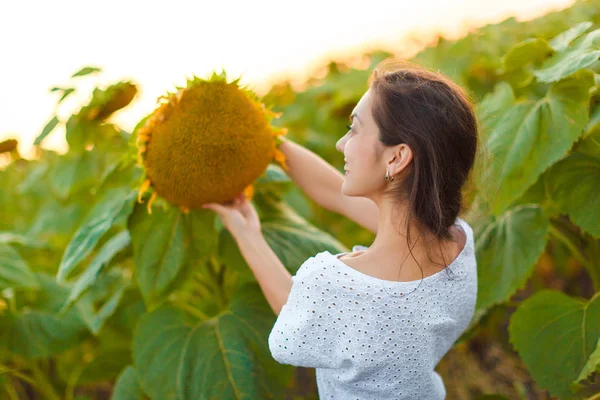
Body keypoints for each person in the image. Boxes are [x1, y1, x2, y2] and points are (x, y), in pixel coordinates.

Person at [202, 57, 479, 400]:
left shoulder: (337, 283)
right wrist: (269, 140)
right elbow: (336, 192)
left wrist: (245, 233)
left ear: (397, 157)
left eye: (355, 129)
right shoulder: (459, 242)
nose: (341, 143)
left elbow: (293, 315)